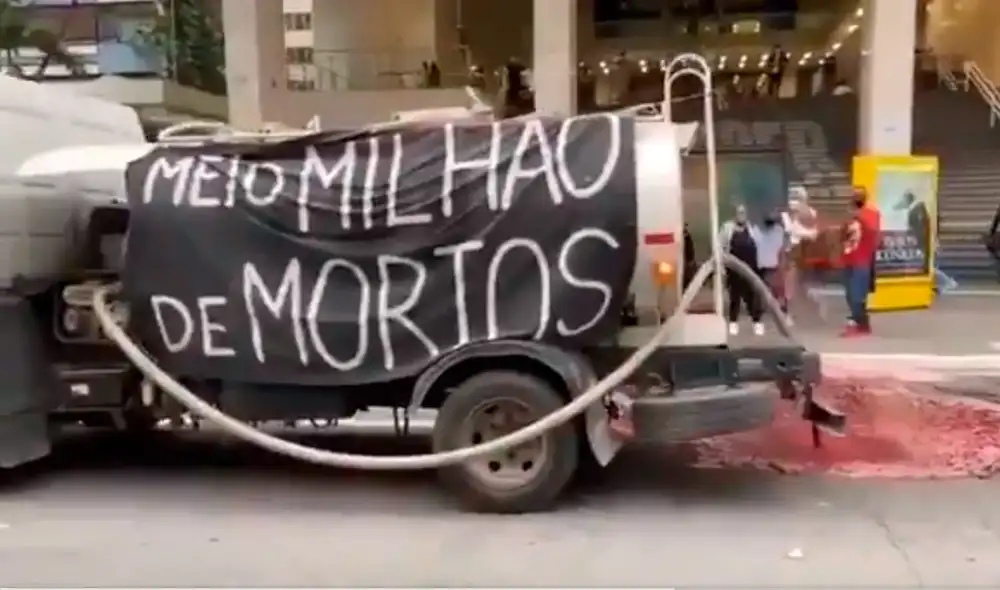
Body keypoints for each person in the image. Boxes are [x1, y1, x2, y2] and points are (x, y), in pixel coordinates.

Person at [840, 187, 881, 337]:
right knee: (850, 293)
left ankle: (857, 323)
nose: (854, 198)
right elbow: (843, 234)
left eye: (857, 195)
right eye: (853, 195)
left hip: (862, 260)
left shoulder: (870, 213)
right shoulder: (851, 215)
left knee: (857, 293)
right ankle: (861, 323)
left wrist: (857, 216)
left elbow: (872, 231)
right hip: (849, 258)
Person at [719, 204, 765, 336]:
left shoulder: (752, 229)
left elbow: (760, 245)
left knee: (752, 298)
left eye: (743, 213)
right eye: (739, 213)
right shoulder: (727, 228)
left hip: (750, 270)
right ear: (735, 214)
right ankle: (733, 323)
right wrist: (722, 265)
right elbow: (719, 246)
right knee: (734, 297)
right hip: (734, 270)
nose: (741, 215)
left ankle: (757, 323)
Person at [781, 186, 820, 322]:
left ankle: (808, 311)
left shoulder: (811, 213)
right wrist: (807, 233)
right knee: (790, 284)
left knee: (805, 284)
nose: (794, 203)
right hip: (791, 254)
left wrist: (807, 232)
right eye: (793, 199)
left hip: (806, 254)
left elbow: (814, 233)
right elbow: (791, 230)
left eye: (798, 199)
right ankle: (789, 313)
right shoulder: (785, 216)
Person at [755, 207, 787, 312]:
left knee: (771, 286)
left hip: (769, 265)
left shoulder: (777, 231)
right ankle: (773, 304)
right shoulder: (777, 231)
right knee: (770, 286)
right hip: (767, 265)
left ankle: (775, 304)